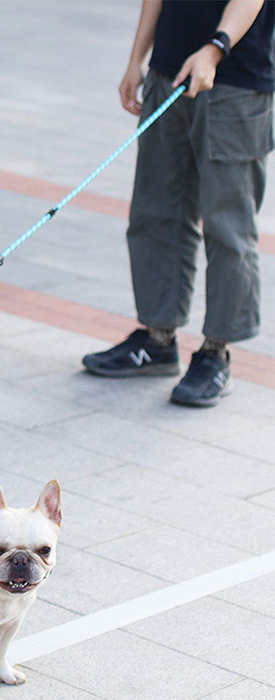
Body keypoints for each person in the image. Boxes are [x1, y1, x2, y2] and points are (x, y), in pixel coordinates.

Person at [82, 0, 274, 406]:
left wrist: (214, 48)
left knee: (228, 227)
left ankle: (216, 353)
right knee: (155, 212)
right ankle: (157, 339)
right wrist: (137, 59)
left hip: (236, 82)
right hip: (167, 72)